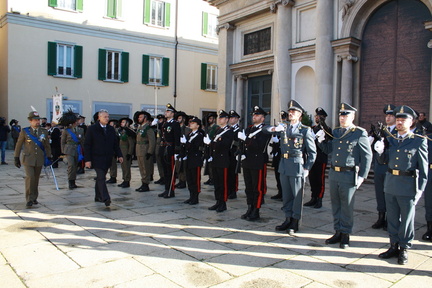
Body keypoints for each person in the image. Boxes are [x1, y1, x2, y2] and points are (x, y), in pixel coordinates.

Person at [374, 105, 428, 265]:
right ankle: (393, 245)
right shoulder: (390, 139)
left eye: (403, 119)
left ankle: (404, 248)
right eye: (398, 119)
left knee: (406, 220)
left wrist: (419, 191)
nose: (399, 122)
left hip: (407, 186)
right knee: (392, 218)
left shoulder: (418, 141)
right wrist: (380, 152)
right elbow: (383, 162)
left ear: (411, 122)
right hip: (390, 184)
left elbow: (424, 171)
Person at [316, 103, 372, 248]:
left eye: (346, 115)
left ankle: (346, 234)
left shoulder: (359, 133)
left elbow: (367, 156)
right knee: (335, 205)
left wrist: (362, 176)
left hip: (348, 174)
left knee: (346, 206)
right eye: (341, 115)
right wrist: (321, 140)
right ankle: (337, 232)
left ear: (352, 117)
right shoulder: (335, 132)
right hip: (334, 173)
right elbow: (329, 150)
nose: (342, 118)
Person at [270, 101, 316, 234]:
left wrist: (307, 168)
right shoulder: (284, 127)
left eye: (294, 112)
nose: (290, 113)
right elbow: (264, 130)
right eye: (290, 111)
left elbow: (312, 153)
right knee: (286, 194)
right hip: (284, 165)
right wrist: (274, 129)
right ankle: (287, 218)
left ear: (300, 115)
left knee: (297, 195)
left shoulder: (305, 130)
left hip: (297, 166)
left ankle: (295, 221)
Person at [237, 106, 271, 221]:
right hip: (247, 161)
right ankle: (249, 207)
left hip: (257, 161)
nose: (254, 116)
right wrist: (240, 152)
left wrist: (245, 140)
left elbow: (259, 146)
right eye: (253, 115)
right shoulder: (249, 129)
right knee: (248, 187)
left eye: (257, 115)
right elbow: (242, 144)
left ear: (262, 118)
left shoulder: (265, 130)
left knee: (257, 188)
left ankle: (256, 210)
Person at [84, 110, 123, 207]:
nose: (107, 118)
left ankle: (98, 196)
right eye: (105, 117)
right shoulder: (92, 129)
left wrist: (119, 155)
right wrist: (87, 160)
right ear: (99, 117)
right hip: (96, 158)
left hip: (107, 158)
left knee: (100, 178)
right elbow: (87, 145)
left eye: (108, 117)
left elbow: (115, 144)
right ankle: (106, 197)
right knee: (101, 177)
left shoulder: (110, 129)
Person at [14, 111, 52, 208]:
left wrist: (49, 156)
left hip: (39, 158)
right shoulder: (25, 131)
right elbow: (18, 145)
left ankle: (34, 197)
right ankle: (29, 199)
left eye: (38, 120)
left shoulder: (43, 131)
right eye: (35, 120)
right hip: (28, 159)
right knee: (30, 177)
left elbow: (47, 145)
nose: (37, 122)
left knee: (36, 179)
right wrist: (16, 157)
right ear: (30, 121)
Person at [370, 104, 396, 230]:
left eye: (391, 115)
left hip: (390, 167)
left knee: (390, 195)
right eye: (387, 115)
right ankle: (381, 217)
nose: (388, 117)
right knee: (380, 193)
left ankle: (391, 219)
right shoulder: (380, 130)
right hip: (379, 166)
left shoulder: (397, 132)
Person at [206, 110, 235, 212]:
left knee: (223, 183)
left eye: (221, 118)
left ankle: (223, 203)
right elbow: (215, 144)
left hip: (223, 160)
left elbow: (225, 145)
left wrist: (211, 143)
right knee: (217, 183)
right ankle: (218, 201)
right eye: (219, 118)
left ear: (226, 120)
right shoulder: (218, 130)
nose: (219, 119)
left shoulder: (230, 131)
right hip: (216, 159)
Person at [304, 107, 332, 209]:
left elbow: (329, 142)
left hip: (321, 157)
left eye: (320, 116)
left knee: (320, 179)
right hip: (312, 158)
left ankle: (319, 199)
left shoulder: (327, 129)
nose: (317, 118)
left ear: (324, 118)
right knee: (312, 178)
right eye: (316, 116)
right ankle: (313, 197)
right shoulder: (312, 128)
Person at [158, 104, 181, 198]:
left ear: (172, 113)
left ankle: (171, 190)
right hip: (164, 148)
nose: (165, 113)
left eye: (168, 112)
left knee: (170, 171)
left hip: (170, 149)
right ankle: (166, 189)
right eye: (166, 111)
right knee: (165, 171)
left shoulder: (175, 124)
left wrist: (176, 151)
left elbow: (177, 138)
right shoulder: (165, 123)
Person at [60, 110, 85, 189]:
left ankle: (73, 181)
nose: (77, 122)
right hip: (69, 149)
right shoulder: (66, 130)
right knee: (71, 165)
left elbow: (82, 141)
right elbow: (63, 141)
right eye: (76, 120)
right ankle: (70, 181)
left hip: (77, 149)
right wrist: (63, 150)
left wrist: (84, 150)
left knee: (75, 165)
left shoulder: (81, 130)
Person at [183, 116, 204, 205]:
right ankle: (191, 196)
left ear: (198, 126)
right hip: (189, 159)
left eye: (193, 123)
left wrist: (186, 143)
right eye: (190, 123)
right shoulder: (189, 134)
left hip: (195, 160)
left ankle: (195, 198)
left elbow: (195, 147)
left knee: (195, 179)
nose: (191, 124)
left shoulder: (199, 135)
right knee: (189, 179)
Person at [135, 111, 156, 192]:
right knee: (141, 168)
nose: (139, 118)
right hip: (139, 150)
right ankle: (143, 183)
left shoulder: (148, 128)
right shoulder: (140, 127)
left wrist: (150, 152)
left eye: (141, 117)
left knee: (145, 168)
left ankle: (146, 184)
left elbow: (152, 141)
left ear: (145, 118)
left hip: (145, 150)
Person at [269, 111, 288, 200]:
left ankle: (285, 193)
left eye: (284, 118)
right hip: (277, 156)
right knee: (277, 175)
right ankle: (280, 192)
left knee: (283, 176)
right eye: (282, 118)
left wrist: (279, 141)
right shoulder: (278, 129)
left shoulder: (288, 129)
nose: (283, 120)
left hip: (284, 156)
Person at [117, 117, 136, 188]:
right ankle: (124, 179)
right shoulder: (122, 131)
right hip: (121, 151)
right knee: (123, 166)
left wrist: (129, 153)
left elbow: (131, 144)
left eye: (123, 122)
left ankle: (127, 180)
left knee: (126, 166)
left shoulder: (129, 132)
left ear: (127, 123)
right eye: (121, 122)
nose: (122, 123)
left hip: (126, 151)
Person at [228, 110, 241, 199]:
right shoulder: (228, 129)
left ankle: (233, 191)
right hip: (227, 154)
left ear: (236, 119)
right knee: (228, 173)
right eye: (230, 118)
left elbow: (239, 143)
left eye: (232, 118)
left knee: (233, 173)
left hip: (234, 154)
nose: (230, 119)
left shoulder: (239, 130)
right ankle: (228, 190)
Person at [175, 111, 190, 189]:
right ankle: (180, 180)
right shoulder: (176, 128)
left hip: (183, 150)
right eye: (177, 118)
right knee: (178, 166)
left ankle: (183, 181)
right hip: (177, 149)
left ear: (183, 119)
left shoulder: (187, 129)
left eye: (180, 118)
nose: (178, 119)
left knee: (183, 167)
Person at [203, 113, 219, 185]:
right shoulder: (208, 127)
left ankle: (213, 178)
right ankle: (210, 177)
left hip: (212, 146)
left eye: (211, 118)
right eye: (209, 119)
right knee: (208, 164)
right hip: (207, 147)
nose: (210, 120)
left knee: (212, 164)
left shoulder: (216, 127)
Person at [154, 114, 166, 185]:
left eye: (161, 120)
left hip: (163, 146)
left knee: (163, 163)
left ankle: (164, 177)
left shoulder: (164, 126)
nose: (159, 121)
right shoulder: (158, 127)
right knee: (159, 163)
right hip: (157, 146)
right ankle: (161, 176)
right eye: (159, 120)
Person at [106, 119, 119, 184]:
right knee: (110, 164)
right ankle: (111, 176)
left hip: (114, 150)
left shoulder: (116, 132)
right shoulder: (109, 131)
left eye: (111, 124)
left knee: (113, 164)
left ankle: (113, 177)